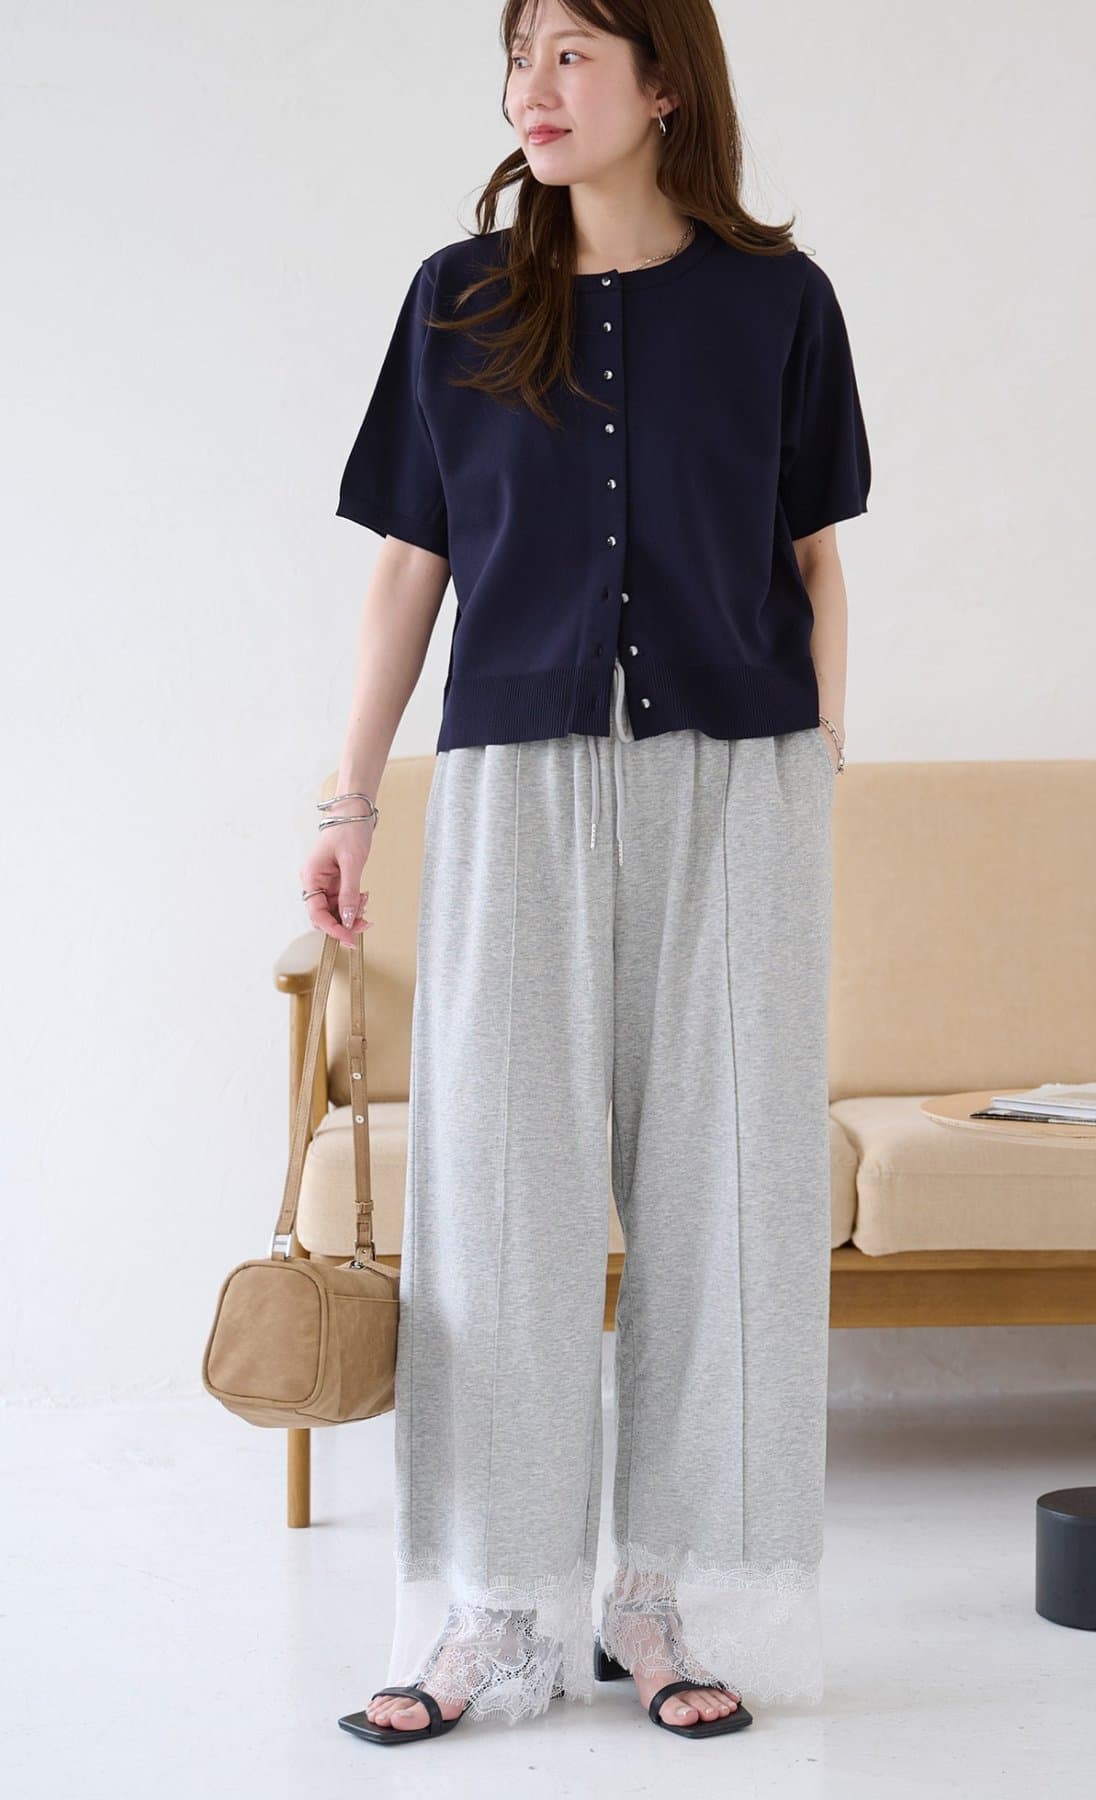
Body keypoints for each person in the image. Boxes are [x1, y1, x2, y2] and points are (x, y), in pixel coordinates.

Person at [306, 0, 871, 1746]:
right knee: (498, 1196)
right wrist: (345, 802)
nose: (532, 89)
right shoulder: (457, 300)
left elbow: (815, 563)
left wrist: (812, 769)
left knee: (727, 1195)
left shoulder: (780, 303)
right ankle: (493, 1607)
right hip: (516, 784)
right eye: (519, 54)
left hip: (736, 782)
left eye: (570, 53)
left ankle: (662, 1596)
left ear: (662, 82)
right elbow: (409, 571)